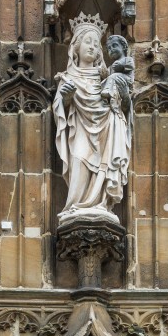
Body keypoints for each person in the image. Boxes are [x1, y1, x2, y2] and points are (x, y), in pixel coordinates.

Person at [53, 18, 130, 221]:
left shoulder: (105, 77)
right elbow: (59, 109)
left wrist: (123, 98)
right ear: (76, 47)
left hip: (106, 129)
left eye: (96, 44)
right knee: (78, 160)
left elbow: (122, 105)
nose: (93, 47)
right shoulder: (67, 77)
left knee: (102, 166)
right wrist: (67, 99)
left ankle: (100, 203)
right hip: (79, 129)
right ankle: (77, 204)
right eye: (88, 42)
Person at [101, 34, 133, 119]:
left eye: (114, 45)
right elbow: (107, 76)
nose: (111, 49)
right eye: (109, 48)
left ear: (124, 47)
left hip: (126, 81)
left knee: (113, 77)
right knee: (108, 79)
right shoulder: (110, 67)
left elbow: (130, 66)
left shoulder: (128, 59)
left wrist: (121, 65)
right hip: (116, 88)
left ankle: (108, 92)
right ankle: (108, 96)